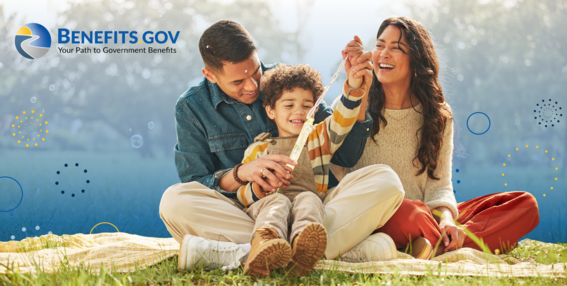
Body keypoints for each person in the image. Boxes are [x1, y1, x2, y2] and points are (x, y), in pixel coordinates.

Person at [159, 20, 405, 271]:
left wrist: (356, 89)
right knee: (174, 201)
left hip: (315, 207)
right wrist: (242, 175)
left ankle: (248, 252)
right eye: (237, 83)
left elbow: (345, 153)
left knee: (386, 180)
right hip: (250, 212)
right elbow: (196, 182)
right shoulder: (191, 107)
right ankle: (314, 250)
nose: (253, 86)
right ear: (210, 75)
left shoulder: (290, 82)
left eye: (255, 72)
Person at [332, 16, 540, 259]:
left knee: (525, 205)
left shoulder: (438, 116)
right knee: (412, 212)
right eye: (380, 45)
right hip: (377, 216)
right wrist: (357, 93)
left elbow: (439, 186)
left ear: (416, 61)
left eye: (396, 48)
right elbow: (338, 173)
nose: (384, 54)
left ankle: (441, 241)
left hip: (426, 216)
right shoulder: (352, 104)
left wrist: (448, 221)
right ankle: (457, 245)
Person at [235, 62, 370, 277]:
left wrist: (353, 85)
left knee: (309, 198)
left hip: (307, 205)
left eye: (307, 106)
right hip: (267, 206)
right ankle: (264, 245)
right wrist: (259, 190)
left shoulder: (320, 139)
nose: (299, 111)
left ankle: (303, 248)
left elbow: (342, 119)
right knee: (277, 202)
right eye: (289, 105)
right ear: (270, 111)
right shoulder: (258, 149)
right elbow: (241, 193)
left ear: (315, 110)